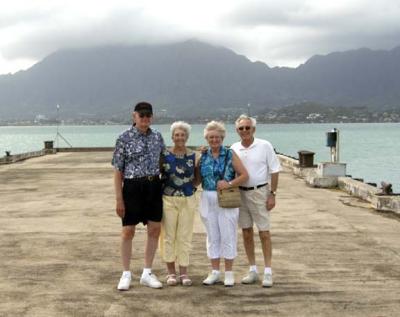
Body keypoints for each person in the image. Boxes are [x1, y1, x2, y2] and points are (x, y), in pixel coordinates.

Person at [112, 101, 166, 290]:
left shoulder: (158, 137)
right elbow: (118, 171)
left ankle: (147, 272)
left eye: (148, 115)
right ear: (134, 116)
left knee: (154, 229)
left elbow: (164, 161)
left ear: (152, 117)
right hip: (132, 187)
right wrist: (119, 199)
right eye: (141, 115)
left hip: (153, 185)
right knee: (128, 231)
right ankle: (126, 273)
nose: (145, 119)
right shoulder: (123, 138)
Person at [231, 114, 281, 288]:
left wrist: (272, 194)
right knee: (246, 232)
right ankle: (252, 269)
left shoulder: (264, 145)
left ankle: (268, 271)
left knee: (264, 233)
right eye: (241, 128)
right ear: (237, 131)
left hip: (260, 192)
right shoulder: (234, 148)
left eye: (247, 127)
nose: (244, 131)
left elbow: (275, 171)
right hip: (241, 194)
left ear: (253, 129)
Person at [198, 121, 248, 287]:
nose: (214, 140)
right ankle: (214, 272)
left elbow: (244, 175)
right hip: (207, 197)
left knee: (228, 234)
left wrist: (229, 183)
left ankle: (228, 273)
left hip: (226, 197)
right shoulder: (203, 155)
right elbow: (197, 179)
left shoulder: (229, 154)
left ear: (222, 137)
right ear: (207, 138)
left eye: (217, 137)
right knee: (212, 236)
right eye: (211, 137)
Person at [159, 121, 198, 286]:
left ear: (187, 137)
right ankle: (171, 273)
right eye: (177, 135)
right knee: (168, 236)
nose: (179, 137)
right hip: (168, 199)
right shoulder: (164, 155)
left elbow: (197, 178)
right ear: (172, 137)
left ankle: (183, 272)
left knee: (184, 236)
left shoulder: (193, 156)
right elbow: (158, 175)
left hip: (188, 200)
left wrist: (188, 189)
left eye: (182, 135)